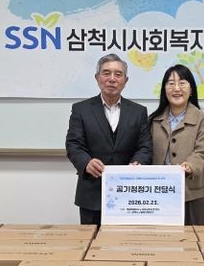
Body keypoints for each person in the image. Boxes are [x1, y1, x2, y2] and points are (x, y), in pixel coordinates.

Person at [65, 53, 153, 225]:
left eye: (118, 74)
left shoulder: (139, 111)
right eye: (106, 73)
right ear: (97, 77)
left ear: (125, 81)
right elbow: (73, 144)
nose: (112, 79)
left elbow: (145, 146)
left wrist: (138, 162)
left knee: (126, 241)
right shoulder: (81, 109)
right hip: (91, 193)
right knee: (91, 241)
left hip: (129, 195)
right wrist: (86, 162)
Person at [149, 64, 204, 225]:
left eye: (182, 83)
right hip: (158, 192)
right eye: (171, 83)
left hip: (192, 193)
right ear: (165, 90)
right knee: (160, 237)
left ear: (191, 89)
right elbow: (145, 150)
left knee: (193, 237)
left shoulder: (202, 119)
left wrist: (190, 165)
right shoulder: (153, 120)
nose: (176, 88)